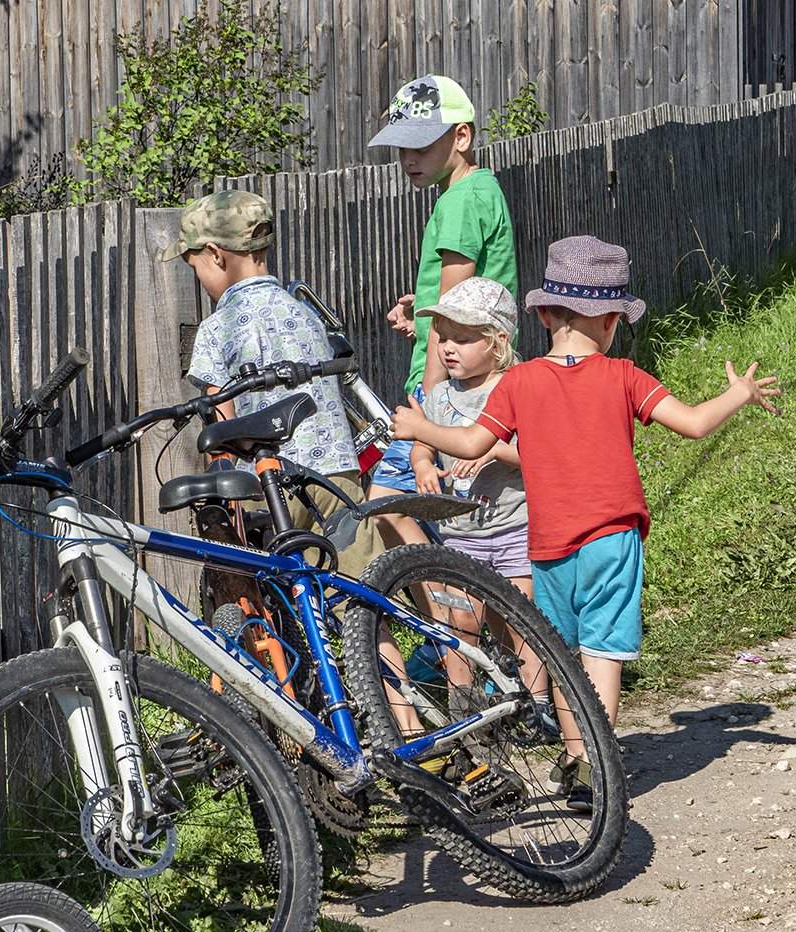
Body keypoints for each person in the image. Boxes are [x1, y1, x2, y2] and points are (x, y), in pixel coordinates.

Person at [391, 235, 782, 727]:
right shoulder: (625, 375)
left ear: (544, 316)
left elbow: (470, 443)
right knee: (601, 651)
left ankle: (578, 758)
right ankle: (597, 762)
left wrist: (418, 430)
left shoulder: (519, 381)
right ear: (612, 320)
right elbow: (696, 424)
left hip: (549, 540)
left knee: (566, 654)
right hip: (612, 536)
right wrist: (739, 393)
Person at [170, 189, 382, 575]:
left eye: (194, 266)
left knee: (276, 598)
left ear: (216, 254)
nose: (198, 278)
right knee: (363, 599)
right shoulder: (305, 313)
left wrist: (224, 491)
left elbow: (223, 421)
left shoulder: (218, 327)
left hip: (269, 482)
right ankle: (381, 637)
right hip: (336, 472)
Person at [365, 74, 518, 546]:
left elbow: (451, 308)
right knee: (468, 512)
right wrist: (422, 310)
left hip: (451, 387)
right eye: (401, 148)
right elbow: (465, 294)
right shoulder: (482, 189)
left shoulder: (457, 204)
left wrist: (431, 401)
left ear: (462, 136)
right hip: (481, 372)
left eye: (422, 145)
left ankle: (450, 608)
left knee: (384, 503)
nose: (409, 158)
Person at [409, 277, 529, 594]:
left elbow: (538, 458)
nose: (447, 348)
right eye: (443, 338)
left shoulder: (516, 388)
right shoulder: (439, 396)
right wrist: (422, 466)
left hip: (514, 527)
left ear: (498, 342)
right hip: (458, 530)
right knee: (463, 622)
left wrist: (493, 450)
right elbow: (423, 444)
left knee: (520, 618)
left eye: (461, 340)